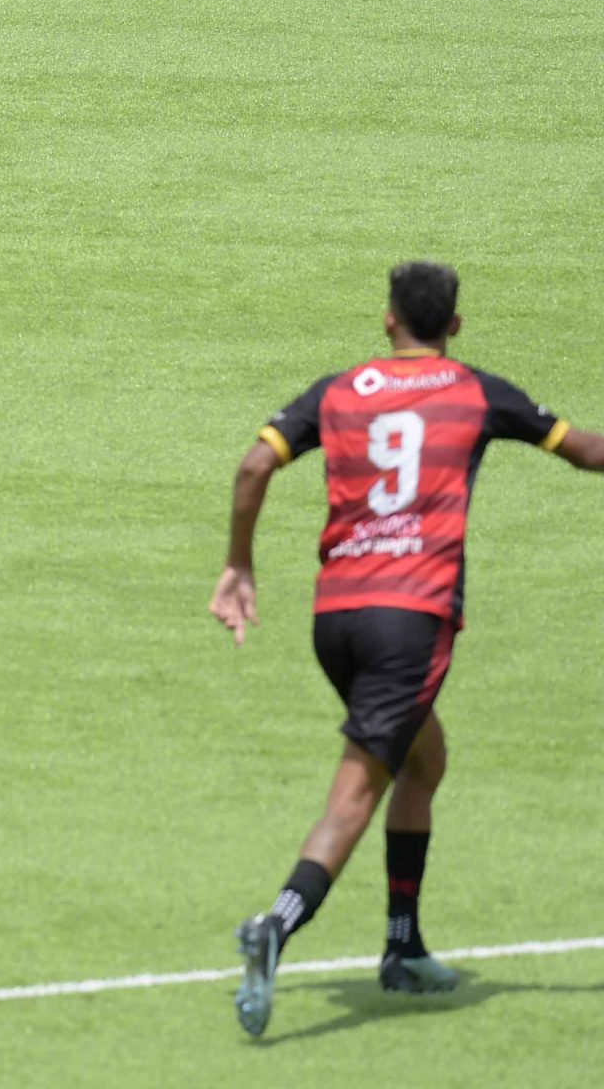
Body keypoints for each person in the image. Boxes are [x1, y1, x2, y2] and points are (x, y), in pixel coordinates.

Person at [214, 261, 604, 1037]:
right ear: (454, 326)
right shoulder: (477, 390)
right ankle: (276, 926)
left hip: (338, 619)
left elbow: (256, 463)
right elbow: (587, 452)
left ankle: (402, 947)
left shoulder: (338, 389)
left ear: (388, 318)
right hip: (411, 620)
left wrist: (240, 563)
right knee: (357, 792)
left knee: (423, 760)